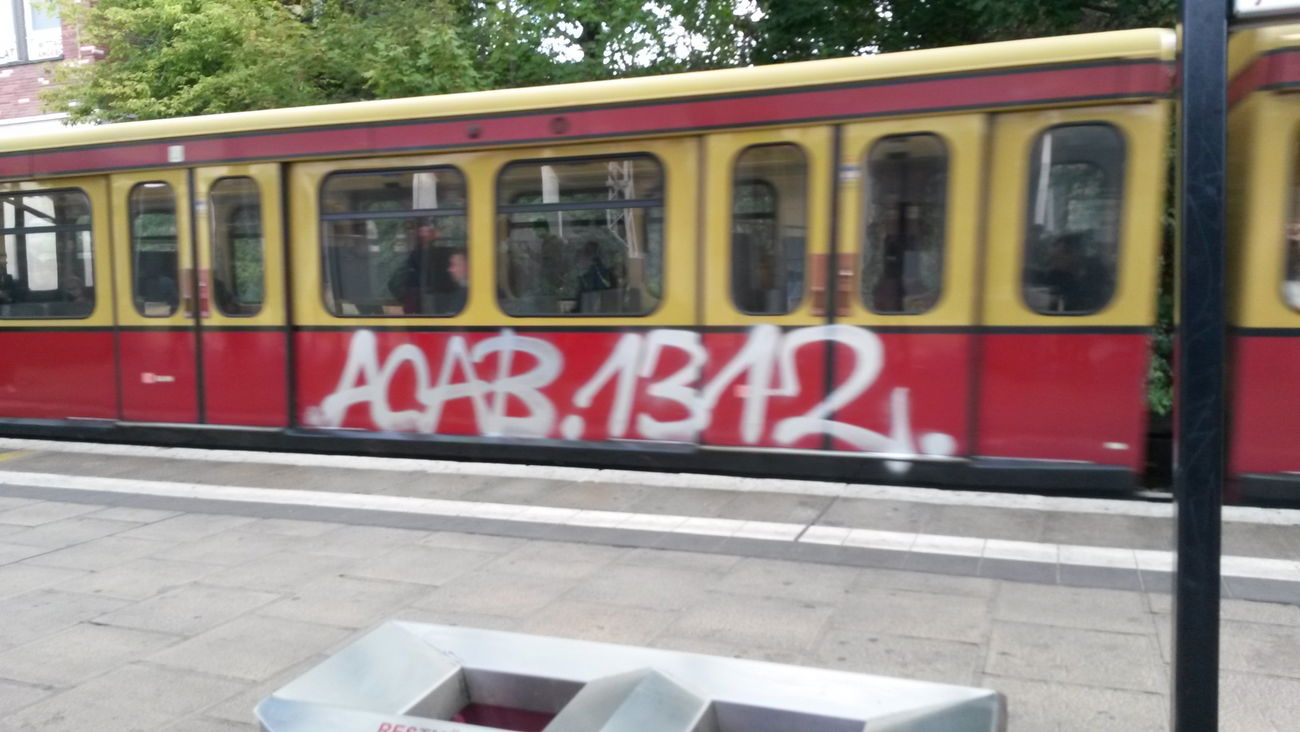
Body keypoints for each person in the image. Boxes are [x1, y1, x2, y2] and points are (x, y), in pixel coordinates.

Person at [573, 240, 616, 313]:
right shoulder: (609, 274)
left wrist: (570, 314)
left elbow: (585, 305)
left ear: (590, 256)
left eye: (582, 254)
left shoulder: (590, 277)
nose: (580, 259)